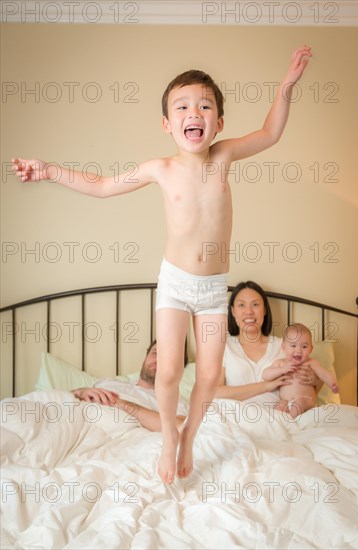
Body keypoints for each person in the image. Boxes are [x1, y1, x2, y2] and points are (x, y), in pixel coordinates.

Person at [12, 45, 312, 483]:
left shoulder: (224, 156)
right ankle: (170, 438)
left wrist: (287, 83)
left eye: (206, 105)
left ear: (218, 122)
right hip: (174, 285)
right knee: (169, 370)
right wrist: (48, 171)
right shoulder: (160, 168)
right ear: (168, 123)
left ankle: (189, 433)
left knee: (208, 375)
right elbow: (101, 185)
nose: (196, 112)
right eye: (184, 106)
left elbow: (270, 133)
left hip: (211, 291)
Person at [215, 281, 322, 408]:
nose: (249, 311)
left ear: (264, 310)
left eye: (255, 304)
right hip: (236, 418)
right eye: (241, 305)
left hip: (281, 417)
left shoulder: (286, 346)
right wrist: (266, 386)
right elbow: (215, 392)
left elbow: (309, 390)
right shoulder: (223, 347)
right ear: (232, 311)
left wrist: (316, 380)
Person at [72, 341, 188, 432]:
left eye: (167, 358)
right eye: (155, 353)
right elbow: (63, 399)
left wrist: (119, 403)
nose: (158, 359)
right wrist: (79, 392)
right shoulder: (107, 382)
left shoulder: (174, 400)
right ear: (145, 358)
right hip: (74, 420)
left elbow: (179, 427)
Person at [262, 323, 339, 418]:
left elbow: (323, 373)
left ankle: (290, 422)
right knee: (279, 406)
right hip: (286, 401)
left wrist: (333, 384)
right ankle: (281, 424)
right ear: (283, 347)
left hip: (306, 400)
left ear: (311, 349)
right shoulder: (281, 363)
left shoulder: (311, 363)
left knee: (299, 403)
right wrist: (281, 370)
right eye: (293, 346)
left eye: (304, 347)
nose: (298, 351)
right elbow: (265, 375)